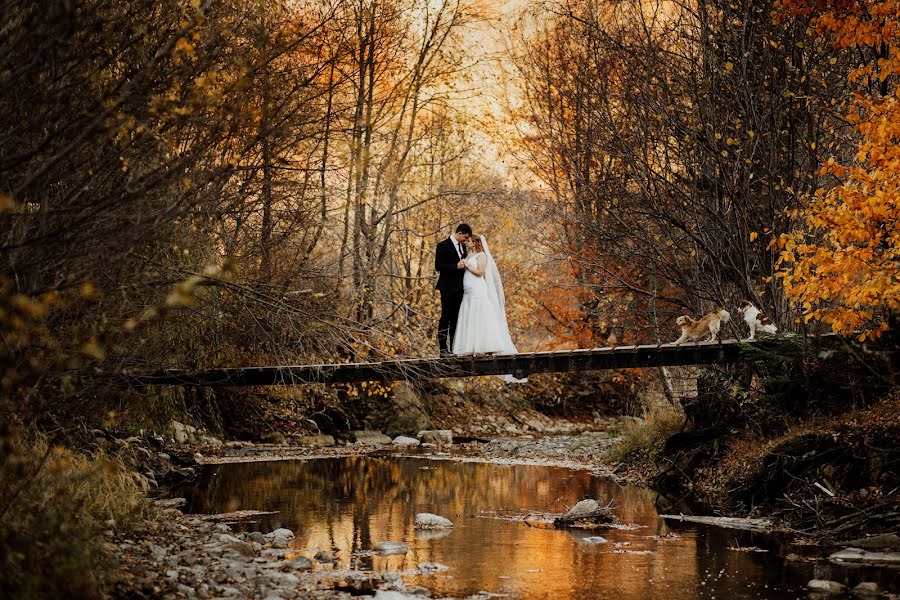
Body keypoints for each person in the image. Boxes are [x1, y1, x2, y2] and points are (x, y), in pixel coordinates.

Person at [452, 234, 527, 383]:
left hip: (477, 290)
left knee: (479, 316)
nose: (467, 243)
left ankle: (482, 348)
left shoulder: (481, 255)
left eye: (469, 241)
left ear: (476, 242)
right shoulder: (469, 254)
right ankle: (470, 348)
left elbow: (480, 272)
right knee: (469, 317)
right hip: (467, 291)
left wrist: (467, 265)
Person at [435, 223, 471, 356]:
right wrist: (456, 266)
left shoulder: (462, 247)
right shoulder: (443, 245)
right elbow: (438, 266)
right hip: (447, 287)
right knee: (446, 317)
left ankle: (454, 348)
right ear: (460, 233)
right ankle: (443, 349)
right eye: (466, 237)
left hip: (459, 288)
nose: (466, 240)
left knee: (456, 318)